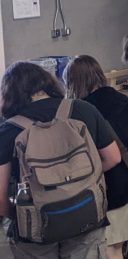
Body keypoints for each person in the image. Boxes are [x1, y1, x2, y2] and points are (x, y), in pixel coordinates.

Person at [0, 62, 121, 259]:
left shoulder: (8, 130)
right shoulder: (83, 110)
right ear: (48, 82)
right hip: (85, 216)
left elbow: (0, 197)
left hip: (35, 230)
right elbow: (113, 157)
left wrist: (22, 215)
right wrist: (79, 184)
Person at [65, 56, 128, 259]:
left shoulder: (77, 113)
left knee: (100, 250)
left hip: (92, 192)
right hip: (125, 187)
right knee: (116, 248)